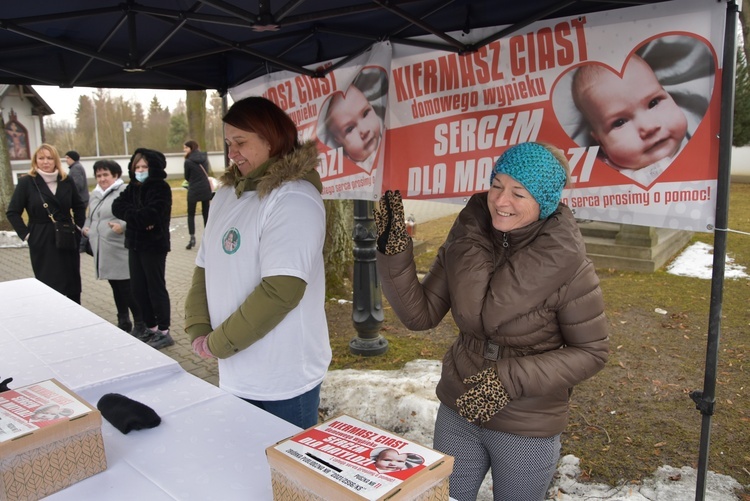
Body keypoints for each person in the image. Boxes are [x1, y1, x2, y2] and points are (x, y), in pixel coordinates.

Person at [374, 142, 609, 501]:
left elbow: (592, 352)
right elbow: (419, 314)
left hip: (525, 426)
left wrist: (508, 380)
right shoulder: (467, 238)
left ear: (544, 202)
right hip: (458, 408)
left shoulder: (570, 266)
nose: (501, 200)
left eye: (519, 193)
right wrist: (393, 251)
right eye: (497, 184)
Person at [184, 96, 331, 429]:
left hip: (283, 376)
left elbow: (281, 291)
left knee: (282, 473)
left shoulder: (293, 198)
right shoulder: (225, 195)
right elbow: (203, 269)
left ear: (271, 140)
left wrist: (218, 343)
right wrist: (197, 328)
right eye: (228, 143)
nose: (232, 152)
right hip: (236, 368)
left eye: (241, 142)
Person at [571, 54, 689, 184]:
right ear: (601, 143)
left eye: (653, 103)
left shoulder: (705, 146)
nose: (649, 127)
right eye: (620, 122)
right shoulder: (600, 175)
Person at [6, 144, 86, 303]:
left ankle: (75, 316)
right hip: (41, 237)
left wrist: (77, 228)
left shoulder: (66, 180)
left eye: (49, 158)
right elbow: (13, 212)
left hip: (67, 235)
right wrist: (27, 235)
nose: (45, 162)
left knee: (71, 283)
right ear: (35, 160)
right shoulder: (27, 182)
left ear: (56, 160)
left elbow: (79, 206)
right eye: (41, 158)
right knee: (49, 283)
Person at [111, 148, 174, 350]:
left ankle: (164, 331)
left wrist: (136, 217)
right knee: (138, 289)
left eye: (144, 166)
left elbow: (151, 215)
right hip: (135, 244)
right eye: (137, 166)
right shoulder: (133, 187)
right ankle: (151, 327)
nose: (139, 170)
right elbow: (117, 206)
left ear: (152, 167)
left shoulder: (160, 188)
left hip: (154, 245)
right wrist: (138, 217)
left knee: (155, 288)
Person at [81, 159, 144, 335]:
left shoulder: (124, 191)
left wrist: (122, 226)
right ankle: (123, 320)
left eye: (105, 174)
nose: (102, 179)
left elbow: (136, 212)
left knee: (127, 287)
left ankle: (141, 323)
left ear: (115, 175)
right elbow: (91, 216)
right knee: (115, 286)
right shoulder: (96, 194)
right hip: (103, 249)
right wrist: (87, 229)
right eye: (98, 175)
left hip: (119, 247)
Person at [319, 67, 387, 174]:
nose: (364, 130)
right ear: (338, 140)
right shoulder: (343, 169)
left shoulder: (388, 136)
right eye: (350, 129)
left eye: (365, 113)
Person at [182, 140, 213, 250]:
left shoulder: (188, 161)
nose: (184, 150)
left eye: (185, 148)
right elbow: (207, 171)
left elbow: (187, 177)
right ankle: (208, 237)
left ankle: (192, 238)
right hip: (205, 188)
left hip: (194, 189)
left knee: (191, 214)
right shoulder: (204, 157)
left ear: (191, 148)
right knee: (206, 212)